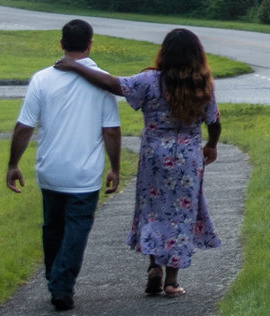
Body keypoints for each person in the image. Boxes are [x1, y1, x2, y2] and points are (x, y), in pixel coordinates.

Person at [57, 27, 221, 297]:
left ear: (165, 52)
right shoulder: (202, 84)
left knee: (154, 210)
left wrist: (75, 67)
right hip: (188, 158)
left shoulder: (150, 80)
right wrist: (211, 145)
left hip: (154, 155)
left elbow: (113, 84)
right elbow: (214, 121)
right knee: (181, 214)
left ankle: (154, 266)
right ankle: (171, 281)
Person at [5, 19, 123, 312]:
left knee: (52, 227)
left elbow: (24, 127)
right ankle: (61, 284)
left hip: (50, 169)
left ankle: (54, 279)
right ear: (91, 43)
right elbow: (111, 130)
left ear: (61, 44)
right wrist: (115, 167)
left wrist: (13, 164)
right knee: (77, 229)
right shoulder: (101, 81)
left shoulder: (42, 79)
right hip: (84, 173)